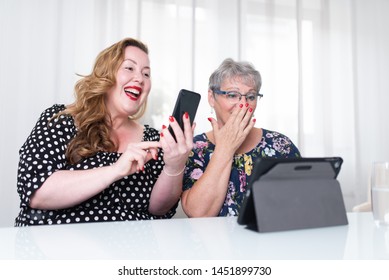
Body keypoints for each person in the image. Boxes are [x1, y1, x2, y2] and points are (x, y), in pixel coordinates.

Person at [15, 38, 194, 226]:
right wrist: (116, 170)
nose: (140, 79)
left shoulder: (152, 140)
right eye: (129, 68)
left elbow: (159, 209)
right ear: (106, 74)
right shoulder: (61, 120)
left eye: (146, 73)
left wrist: (174, 166)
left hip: (133, 249)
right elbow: (36, 191)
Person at [181, 58, 301, 217]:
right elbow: (198, 214)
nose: (243, 104)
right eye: (232, 95)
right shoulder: (195, 148)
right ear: (211, 97)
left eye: (251, 97)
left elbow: (300, 204)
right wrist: (226, 148)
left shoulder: (280, 145)